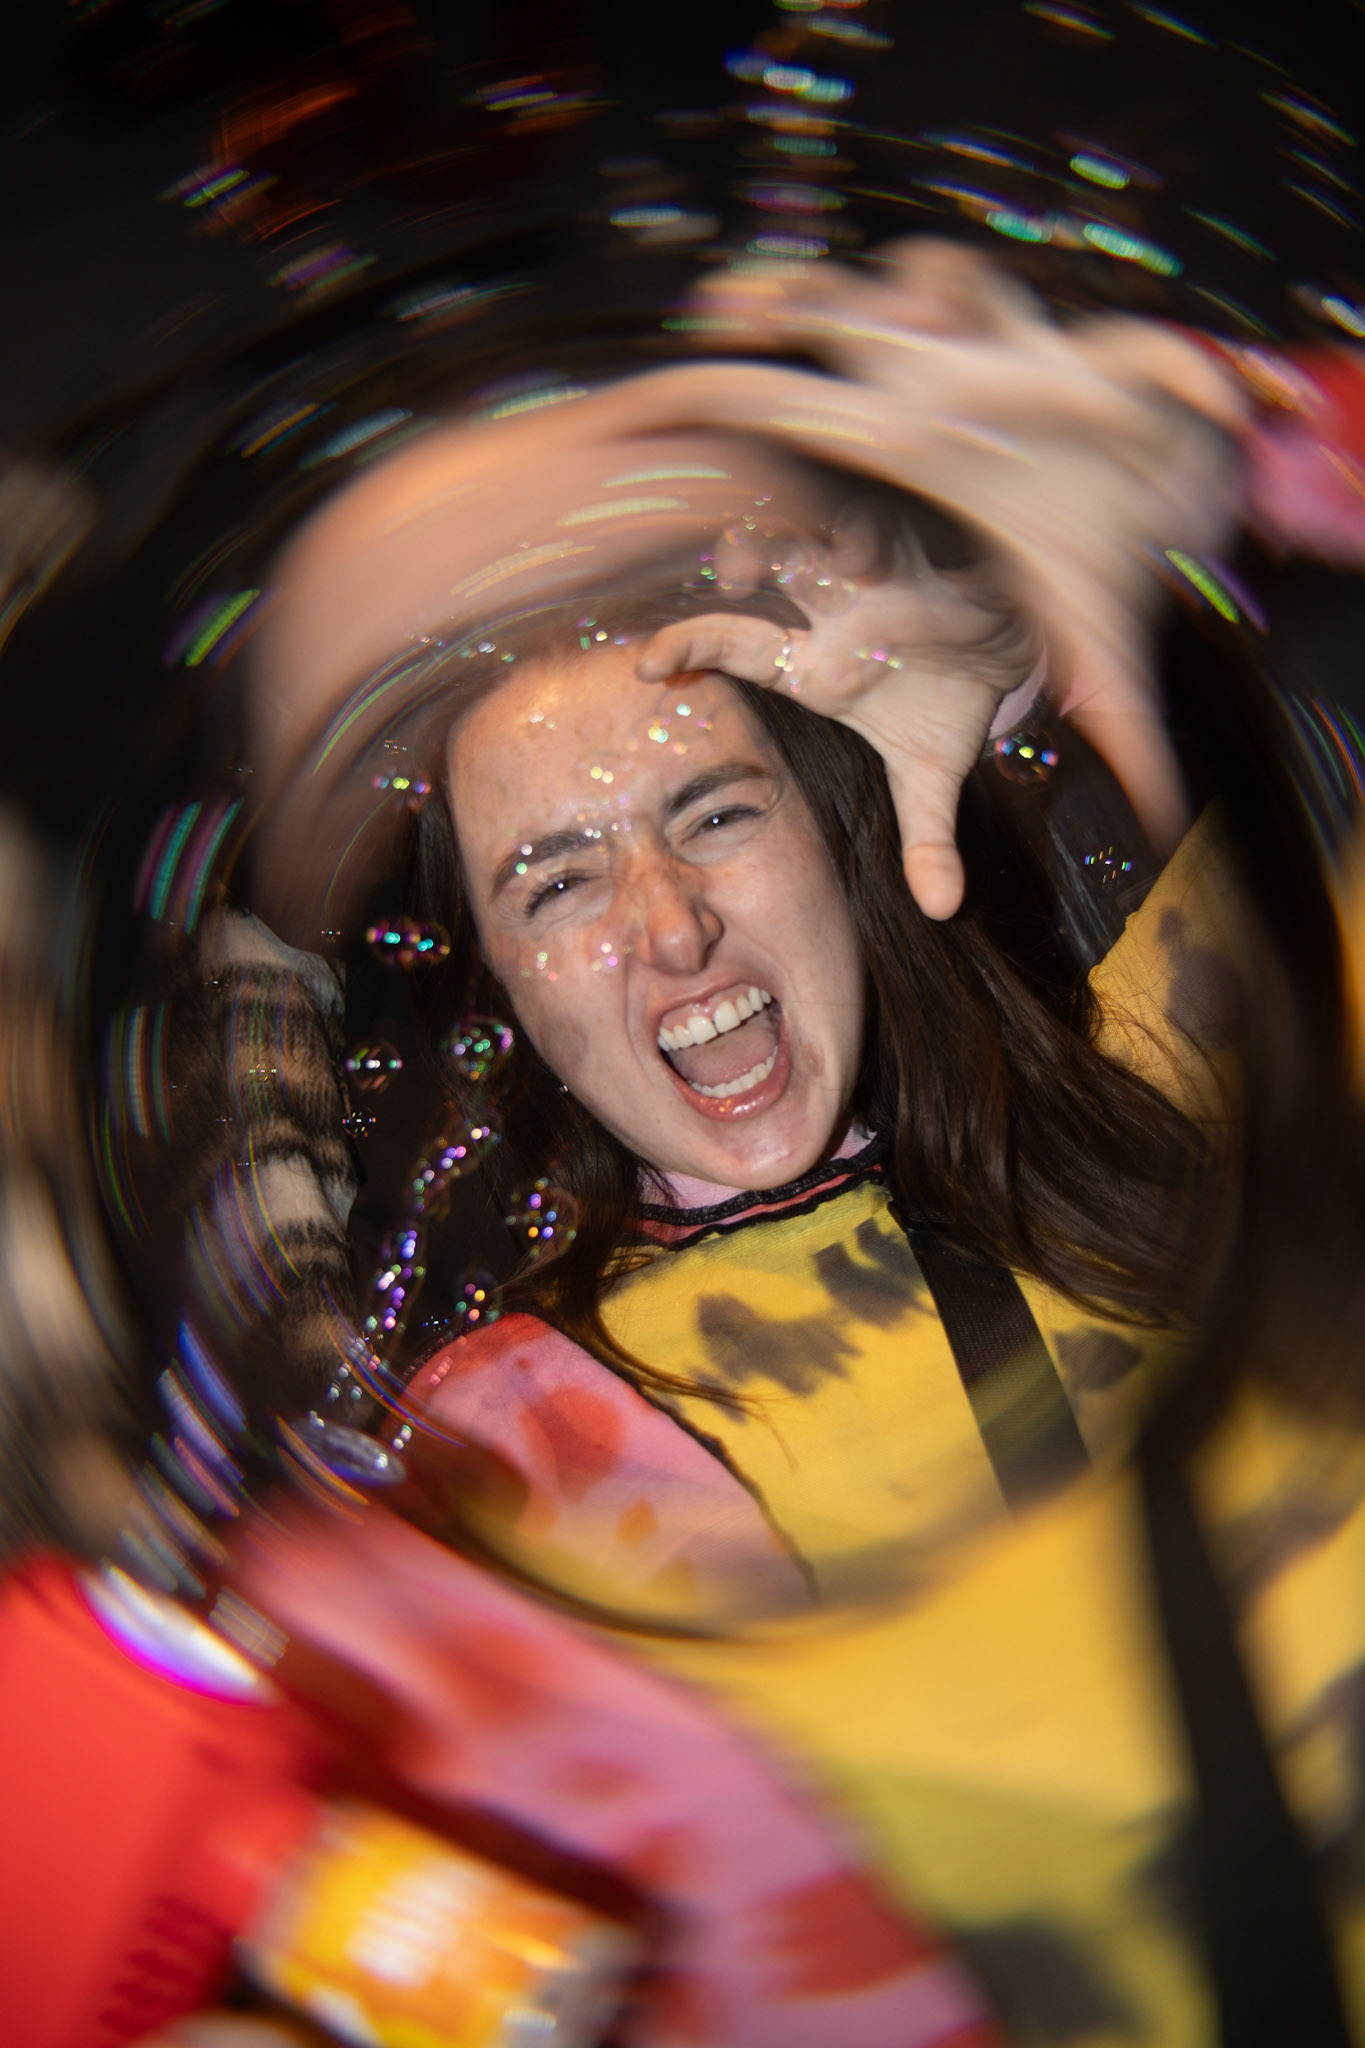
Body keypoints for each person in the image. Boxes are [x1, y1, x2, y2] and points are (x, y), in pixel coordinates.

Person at [144, 243, 1365, 2045]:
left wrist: (1202, 494)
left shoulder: (1180, 1052)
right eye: (555, 881)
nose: (667, 925)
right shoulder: (507, 1451)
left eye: (713, 813)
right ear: (506, 989)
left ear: (835, 832)